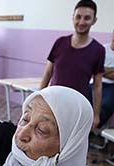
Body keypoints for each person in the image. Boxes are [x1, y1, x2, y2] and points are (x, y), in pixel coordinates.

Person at [40, 0, 105, 129]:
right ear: (73, 17)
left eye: (87, 18)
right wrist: (39, 99)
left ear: (94, 20)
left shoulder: (98, 50)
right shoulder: (60, 42)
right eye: (78, 17)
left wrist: (96, 114)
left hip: (77, 108)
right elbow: (48, 73)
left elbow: (97, 85)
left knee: (70, 145)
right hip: (53, 104)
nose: (81, 22)